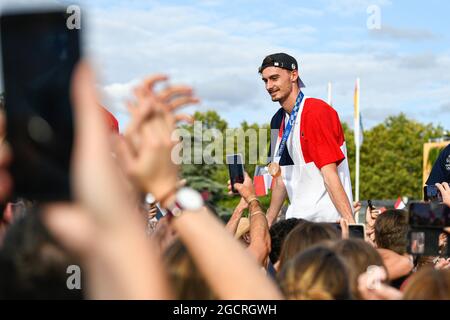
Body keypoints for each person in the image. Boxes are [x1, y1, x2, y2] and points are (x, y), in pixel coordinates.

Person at [259, 53, 354, 225]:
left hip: (327, 223)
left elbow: (329, 175)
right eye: (265, 81)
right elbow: (281, 180)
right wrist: (268, 223)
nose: (269, 86)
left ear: (294, 75)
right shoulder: (276, 120)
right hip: (296, 223)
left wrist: (352, 224)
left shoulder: (316, 111)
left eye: (274, 78)